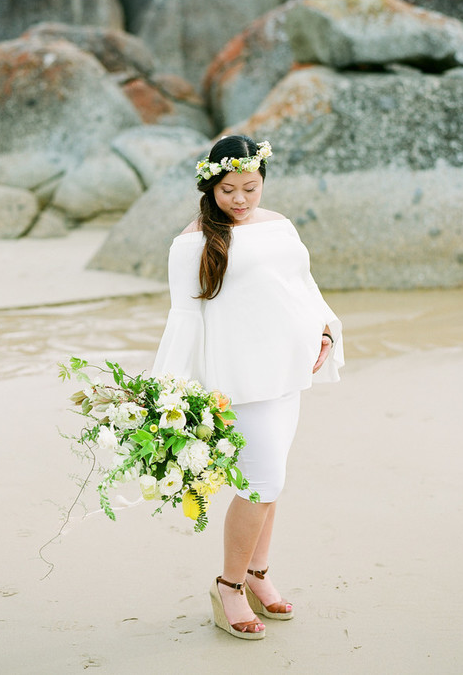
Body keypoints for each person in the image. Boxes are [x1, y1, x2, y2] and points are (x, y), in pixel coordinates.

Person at [152, 134, 344, 640]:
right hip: (237, 381)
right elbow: (184, 319)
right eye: (228, 190)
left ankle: (258, 574)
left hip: (288, 371)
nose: (240, 199)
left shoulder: (279, 224)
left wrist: (325, 330)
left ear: (262, 181)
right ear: (210, 187)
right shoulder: (192, 242)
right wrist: (167, 390)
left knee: (270, 479)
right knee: (260, 482)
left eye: (250, 188)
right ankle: (229, 585)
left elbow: (302, 286)